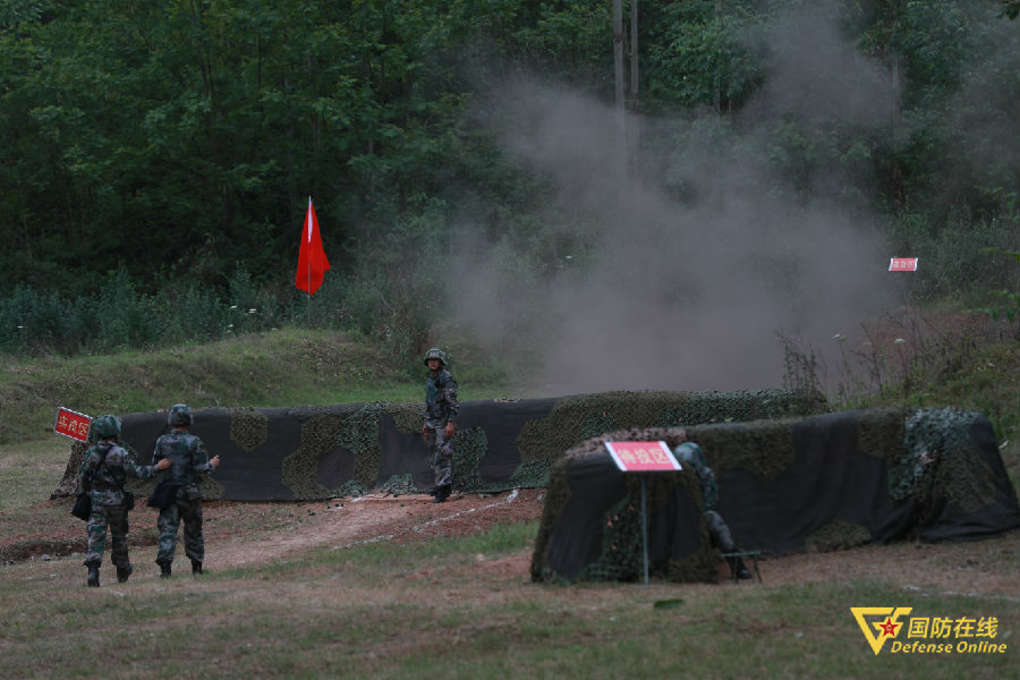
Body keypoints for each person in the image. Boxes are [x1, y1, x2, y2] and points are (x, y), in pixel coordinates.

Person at [78, 415, 171, 587]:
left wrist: (87, 493)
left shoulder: (91, 452)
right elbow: (138, 473)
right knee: (119, 536)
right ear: (116, 432)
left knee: (96, 535)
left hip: (97, 501)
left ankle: (93, 570)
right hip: (117, 502)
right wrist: (158, 467)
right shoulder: (120, 453)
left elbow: (83, 476)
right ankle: (122, 569)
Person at [151, 403, 220, 578]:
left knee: (168, 531)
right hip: (190, 493)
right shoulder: (194, 442)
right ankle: (196, 568)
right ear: (189, 420)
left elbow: (156, 466)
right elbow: (201, 469)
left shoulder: (161, 441)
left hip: (169, 493)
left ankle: (165, 570)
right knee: (193, 530)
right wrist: (212, 464)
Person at [673, 433, 752, 580]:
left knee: (718, 526)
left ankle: (738, 567)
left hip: (700, 515)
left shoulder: (706, 477)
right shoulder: (675, 478)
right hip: (678, 518)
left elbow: (710, 500)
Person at [421, 347, 459, 503]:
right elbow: (429, 402)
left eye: (435, 360)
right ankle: (440, 484)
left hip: (443, 421)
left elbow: (453, 403)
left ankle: (443, 489)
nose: (433, 363)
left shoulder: (446, 379)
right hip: (432, 421)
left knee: (443, 454)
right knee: (435, 454)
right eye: (430, 360)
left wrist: (450, 423)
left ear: (441, 362)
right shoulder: (431, 378)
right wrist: (426, 422)